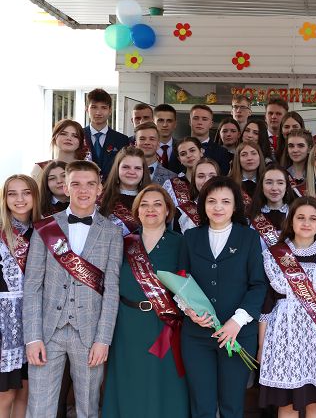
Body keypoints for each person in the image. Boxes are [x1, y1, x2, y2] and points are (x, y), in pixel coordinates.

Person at [23, 160, 122, 418]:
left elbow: (112, 290)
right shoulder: (46, 228)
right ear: (65, 188)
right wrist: (32, 337)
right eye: (75, 184)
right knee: (39, 407)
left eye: (90, 184)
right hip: (47, 332)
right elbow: (32, 286)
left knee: (87, 408)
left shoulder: (112, 233)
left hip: (89, 333)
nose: (83, 190)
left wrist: (103, 339)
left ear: (99, 189)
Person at [179, 176, 267, 418]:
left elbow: (258, 285)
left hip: (237, 335)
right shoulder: (190, 237)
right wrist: (189, 311)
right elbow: (181, 281)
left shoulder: (249, 238)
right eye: (212, 201)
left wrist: (236, 322)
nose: (218, 207)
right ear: (203, 204)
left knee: (232, 406)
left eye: (225, 201)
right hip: (196, 336)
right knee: (202, 406)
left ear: (236, 206)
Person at [102, 185, 188, 417]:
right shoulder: (123, 242)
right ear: (137, 211)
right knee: (129, 382)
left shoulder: (180, 243)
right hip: (127, 323)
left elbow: (187, 285)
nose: (151, 209)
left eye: (158, 204)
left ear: (168, 211)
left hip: (164, 325)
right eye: (145, 205)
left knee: (164, 382)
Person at [258, 197, 316, 416]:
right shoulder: (274, 255)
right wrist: (261, 346)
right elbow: (266, 306)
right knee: (286, 403)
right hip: (283, 336)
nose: (306, 223)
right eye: (300, 217)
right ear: (291, 221)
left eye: (313, 218)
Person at [0, 175, 40, 418]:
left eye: (26, 192)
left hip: (34, 322)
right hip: (4, 325)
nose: (20, 199)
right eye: (12, 193)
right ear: (4, 199)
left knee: (26, 391)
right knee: (5, 394)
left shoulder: (46, 232)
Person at [99, 146, 151, 237]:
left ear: (144, 171)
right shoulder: (102, 198)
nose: (132, 172)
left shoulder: (152, 199)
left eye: (137, 168)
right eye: (126, 167)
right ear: (117, 169)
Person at [83, 88, 130, 180]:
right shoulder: (79, 136)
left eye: (103, 108)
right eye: (94, 107)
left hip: (112, 187)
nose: (98, 112)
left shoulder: (122, 140)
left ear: (110, 110)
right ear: (87, 109)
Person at [248, 164, 296, 250]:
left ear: (286, 187)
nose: (274, 188)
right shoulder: (250, 215)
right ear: (262, 186)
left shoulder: (295, 214)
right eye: (269, 182)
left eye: (280, 183)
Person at [189, 104, 232, 175]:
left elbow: (222, 178)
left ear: (211, 124)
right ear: (190, 122)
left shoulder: (222, 152)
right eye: (196, 118)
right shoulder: (179, 148)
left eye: (204, 119)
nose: (200, 122)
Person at [230, 142, 266, 213]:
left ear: (260, 156)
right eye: (244, 155)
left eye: (253, 153)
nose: (249, 158)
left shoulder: (268, 181)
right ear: (238, 159)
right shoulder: (229, 183)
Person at [154, 104, 181, 173]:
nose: (165, 125)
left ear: (175, 124)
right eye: (160, 120)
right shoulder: (146, 147)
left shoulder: (182, 147)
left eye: (169, 121)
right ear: (153, 123)